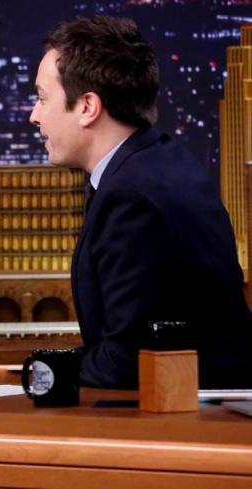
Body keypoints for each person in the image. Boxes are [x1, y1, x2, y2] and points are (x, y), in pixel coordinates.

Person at [29, 16, 252, 389]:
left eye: (41, 98)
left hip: (190, 413)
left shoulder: (132, 197)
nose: (34, 116)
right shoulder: (159, 163)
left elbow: (129, 360)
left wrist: (42, 373)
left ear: (87, 107)